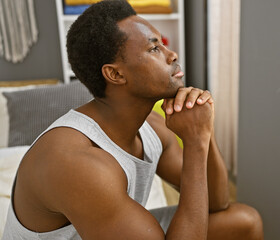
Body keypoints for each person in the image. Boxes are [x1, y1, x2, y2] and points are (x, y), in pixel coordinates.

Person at [2, 0, 263, 239]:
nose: (171, 55)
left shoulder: (152, 126)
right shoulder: (77, 162)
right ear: (115, 74)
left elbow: (217, 202)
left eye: (163, 44)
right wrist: (194, 143)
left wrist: (203, 133)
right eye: (154, 49)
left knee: (243, 221)